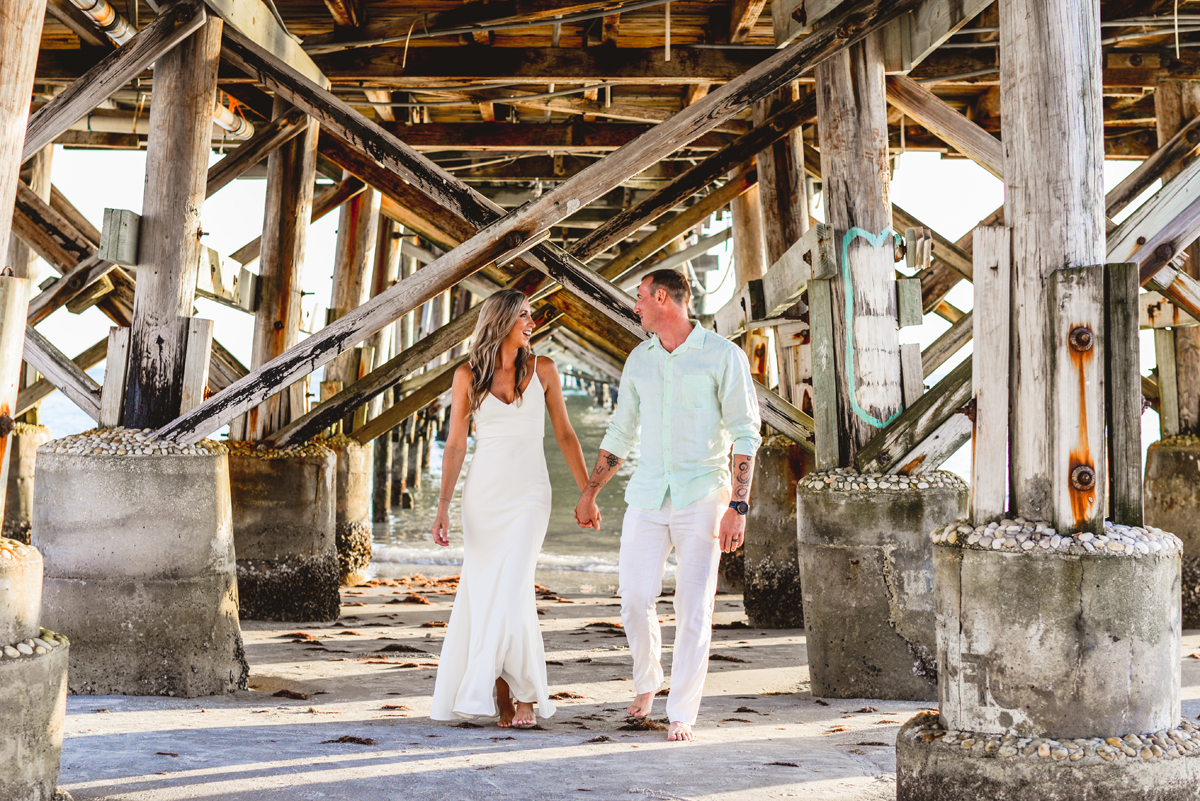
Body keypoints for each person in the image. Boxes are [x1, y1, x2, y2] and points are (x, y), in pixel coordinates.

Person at [573, 268, 761, 742]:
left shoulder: (723, 356)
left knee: (693, 606)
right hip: (648, 495)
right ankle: (647, 682)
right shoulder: (640, 359)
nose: (634, 306)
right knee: (635, 598)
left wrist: (737, 507)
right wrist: (591, 490)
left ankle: (682, 711)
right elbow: (621, 432)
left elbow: (745, 433)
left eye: (639, 297)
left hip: (703, 495)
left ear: (662, 298)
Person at [431, 289, 593, 728]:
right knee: (495, 595)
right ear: (501, 320)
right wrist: (443, 506)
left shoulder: (544, 370)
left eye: (531, 315)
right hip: (484, 497)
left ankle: (523, 695)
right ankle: (507, 695)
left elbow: (565, 435)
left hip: (529, 496)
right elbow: (457, 445)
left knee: (512, 585)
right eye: (524, 314)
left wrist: (587, 492)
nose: (532, 322)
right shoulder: (467, 375)